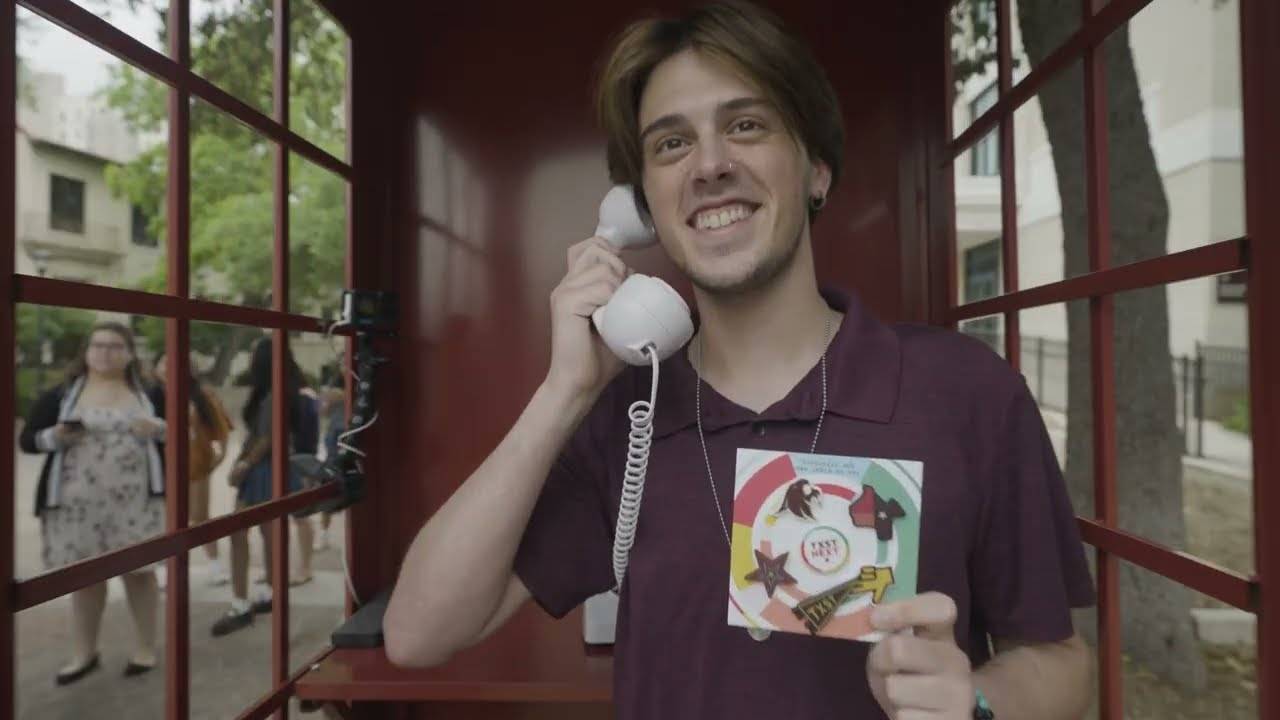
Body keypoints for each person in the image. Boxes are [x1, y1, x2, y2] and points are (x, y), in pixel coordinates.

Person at [384, 3, 1096, 719]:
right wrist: (563, 391)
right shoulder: (628, 418)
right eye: (671, 145)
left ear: (817, 171)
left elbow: (1060, 663)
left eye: (746, 125)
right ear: (643, 208)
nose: (710, 165)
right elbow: (417, 634)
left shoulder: (967, 392)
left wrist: (976, 701)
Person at [19, 322, 167, 684]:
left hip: (135, 502)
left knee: (140, 574)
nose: (105, 353)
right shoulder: (61, 394)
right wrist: (55, 436)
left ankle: (145, 648)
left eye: (115, 346)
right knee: (84, 578)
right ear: (86, 352)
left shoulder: (152, 392)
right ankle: (84, 652)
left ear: (130, 353)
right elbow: (28, 440)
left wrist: (159, 430)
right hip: (76, 505)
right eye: (98, 345)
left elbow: (183, 433)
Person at [211, 338, 319, 637]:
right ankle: (271, 591)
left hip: (262, 468)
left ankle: (240, 603)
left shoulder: (273, 395)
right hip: (277, 468)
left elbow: (267, 437)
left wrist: (243, 464)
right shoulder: (289, 390)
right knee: (269, 533)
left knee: (239, 532)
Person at [153, 353, 234, 585]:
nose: (169, 368)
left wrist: (218, 457)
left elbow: (221, 427)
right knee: (165, 520)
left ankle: (215, 565)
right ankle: (166, 570)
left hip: (194, 465)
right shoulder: (149, 394)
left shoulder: (201, 395)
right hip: (159, 467)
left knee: (199, 517)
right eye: (164, 363)